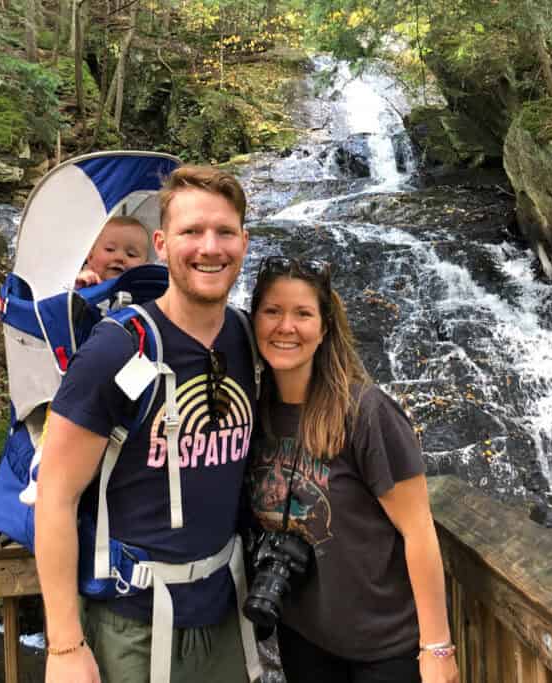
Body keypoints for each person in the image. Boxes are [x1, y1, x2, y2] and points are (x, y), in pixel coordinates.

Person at [35, 166, 261, 683]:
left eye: (225, 232)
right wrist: (65, 645)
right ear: (161, 243)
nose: (210, 247)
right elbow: (56, 495)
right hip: (131, 621)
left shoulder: (249, 340)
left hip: (226, 610)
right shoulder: (116, 348)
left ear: (244, 242)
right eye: (191, 232)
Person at [247, 256, 459, 683]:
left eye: (302, 313)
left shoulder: (365, 411)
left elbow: (418, 528)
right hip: (304, 638)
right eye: (272, 311)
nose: (285, 327)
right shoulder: (253, 413)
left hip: (383, 648)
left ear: (323, 329)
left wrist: (437, 646)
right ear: (253, 323)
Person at [74, 215, 150, 288]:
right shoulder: (81, 281)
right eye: (110, 249)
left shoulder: (148, 293)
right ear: (90, 256)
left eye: (131, 254)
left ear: (146, 267)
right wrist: (78, 285)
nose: (119, 257)